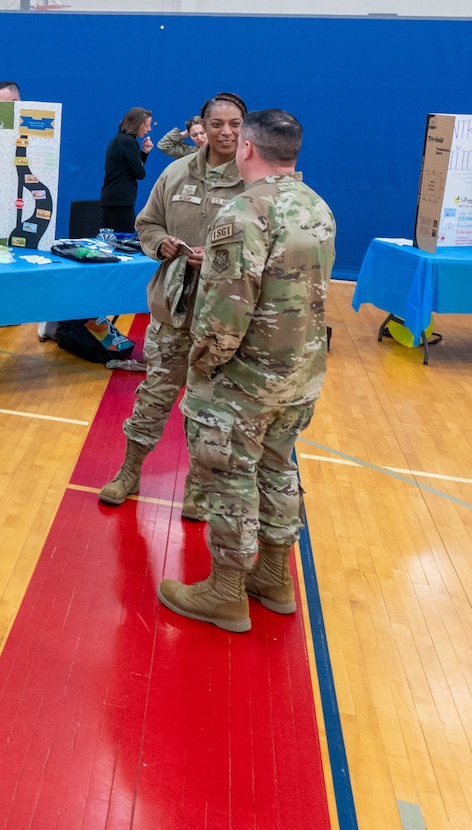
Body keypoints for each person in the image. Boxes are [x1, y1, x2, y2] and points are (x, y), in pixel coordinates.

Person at [157, 109, 334, 634]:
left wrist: (203, 366)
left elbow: (226, 309)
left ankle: (226, 591)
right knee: (279, 471)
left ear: (248, 149)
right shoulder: (317, 207)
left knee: (230, 477)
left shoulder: (244, 212)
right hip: (299, 376)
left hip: (245, 381)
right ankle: (275, 579)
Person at [99, 93, 248, 510]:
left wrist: (219, 260)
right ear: (201, 126)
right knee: (153, 396)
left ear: (246, 127)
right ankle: (129, 471)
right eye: (216, 124)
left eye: (235, 124)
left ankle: (200, 487)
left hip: (223, 319)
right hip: (173, 308)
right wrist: (159, 243)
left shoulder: (254, 181)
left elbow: (267, 248)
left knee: (211, 411)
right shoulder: (176, 173)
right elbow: (146, 222)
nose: (226, 132)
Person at [100, 108, 154, 234]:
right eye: (147, 125)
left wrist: (144, 152)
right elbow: (139, 173)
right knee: (125, 240)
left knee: (107, 239)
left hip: (110, 199)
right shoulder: (128, 142)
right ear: (137, 125)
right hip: (121, 202)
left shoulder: (118, 139)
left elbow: (130, 167)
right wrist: (143, 154)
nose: (149, 129)